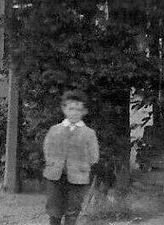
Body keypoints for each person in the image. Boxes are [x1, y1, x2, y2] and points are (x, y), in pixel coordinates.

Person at [42, 89, 100, 225]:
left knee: (73, 210)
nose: (74, 113)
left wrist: (80, 166)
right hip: (55, 176)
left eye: (78, 110)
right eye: (71, 108)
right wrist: (54, 164)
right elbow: (47, 149)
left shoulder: (88, 133)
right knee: (54, 209)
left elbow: (94, 156)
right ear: (64, 109)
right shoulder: (55, 130)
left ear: (84, 112)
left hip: (78, 178)